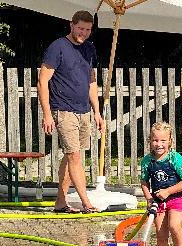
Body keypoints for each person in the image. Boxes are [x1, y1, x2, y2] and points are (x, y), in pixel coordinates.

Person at [37, 10, 103, 214]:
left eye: (88, 30)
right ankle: (86, 202)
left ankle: (60, 202)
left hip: (83, 110)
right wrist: (47, 113)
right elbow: (42, 81)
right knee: (74, 156)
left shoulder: (89, 49)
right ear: (71, 25)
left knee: (71, 156)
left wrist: (97, 112)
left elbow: (91, 81)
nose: (84, 33)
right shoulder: (57, 47)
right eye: (81, 28)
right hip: (62, 110)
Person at [140, 122, 182, 246]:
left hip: (177, 198)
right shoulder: (147, 161)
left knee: (174, 225)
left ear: (170, 141)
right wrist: (149, 199)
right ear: (150, 141)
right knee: (160, 232)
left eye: (163, 141)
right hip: (158, 201)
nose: (159, 144)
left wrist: (169, 191)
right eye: (155, 140)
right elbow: (144, 182)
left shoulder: (175, 158)